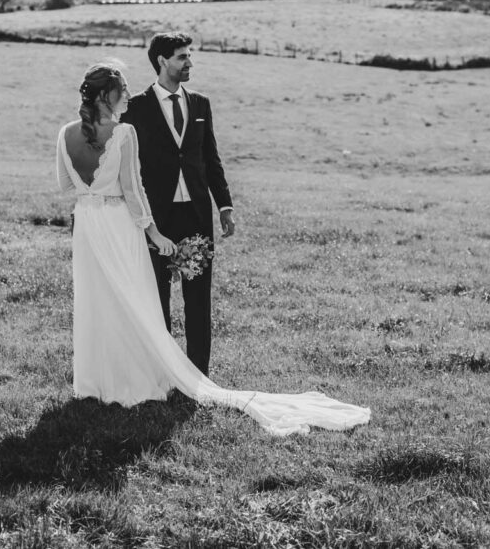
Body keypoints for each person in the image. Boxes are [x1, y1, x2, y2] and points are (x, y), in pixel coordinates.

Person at [57, 62, 370, 436]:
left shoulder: (64, 134)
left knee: (98, 301)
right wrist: (155, 235)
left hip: (88, 228)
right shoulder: (124, 133)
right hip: (120, 227)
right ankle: (135, 380)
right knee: (134, 302)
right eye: (122, 90)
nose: (127, 96)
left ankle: (95, 383)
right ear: (108, 95)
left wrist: (92, 204)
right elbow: (134, 194)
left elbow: (66, 187)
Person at [120, 32, 232, 376]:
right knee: (157, 298)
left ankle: (199, 375)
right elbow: (127, 165)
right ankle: (163, 371)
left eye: (189, 56)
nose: (189, 63)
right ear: (162, 61)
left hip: (196, 215)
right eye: (182, 57)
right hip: (157, 219)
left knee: (198, 300)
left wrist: (224, 205)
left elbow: (209, 157)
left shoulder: (200, 103)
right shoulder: (135, 108)